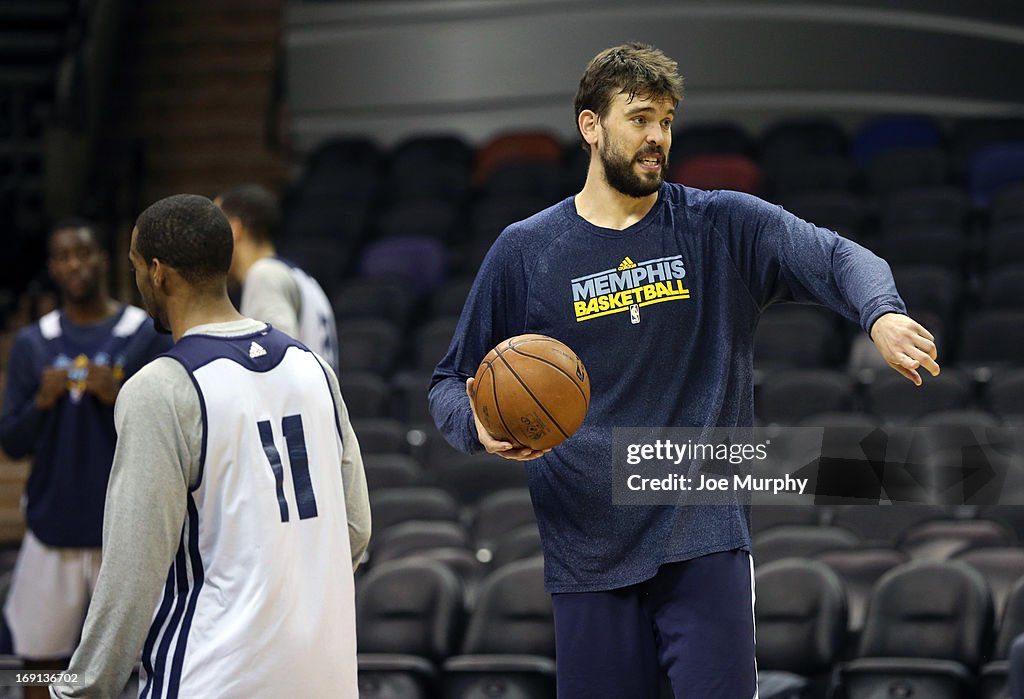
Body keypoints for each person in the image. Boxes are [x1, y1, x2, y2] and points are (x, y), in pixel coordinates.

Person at [429, 43, 940, 698]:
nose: (657, 138)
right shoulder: (526, 250)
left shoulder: (720, 224)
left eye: (666, 121)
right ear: (591, 126)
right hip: (587, 547)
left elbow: (840, 257)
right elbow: (449, 383)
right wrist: (476, 420)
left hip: (702, 537)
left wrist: (881, 314)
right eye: (640, 118)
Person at [50, 194, 370, 698]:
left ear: (157, 273)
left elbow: (131, 576)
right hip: (324, 675)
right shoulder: (314, 369)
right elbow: (354, 528)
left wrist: (80, 689)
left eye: (136, 268)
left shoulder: (161, 388)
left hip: (214, 675)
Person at [0, 218, 170, 699]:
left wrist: (119, 396)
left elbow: (166, 431)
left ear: (102, 258)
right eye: (64, 256)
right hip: (53, 527)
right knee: (38, 666)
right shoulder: (33, 343)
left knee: (144, 664)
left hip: (126, 533)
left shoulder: (145, 334)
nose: (75, 264)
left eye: (85, 253)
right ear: (53, 268)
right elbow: (11, 442)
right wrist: (40, 404)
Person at [214, 183, 339, 370]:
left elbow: (276, 363)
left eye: (214, 225)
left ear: (234, 229)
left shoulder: (264, 275)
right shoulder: (297, 275)